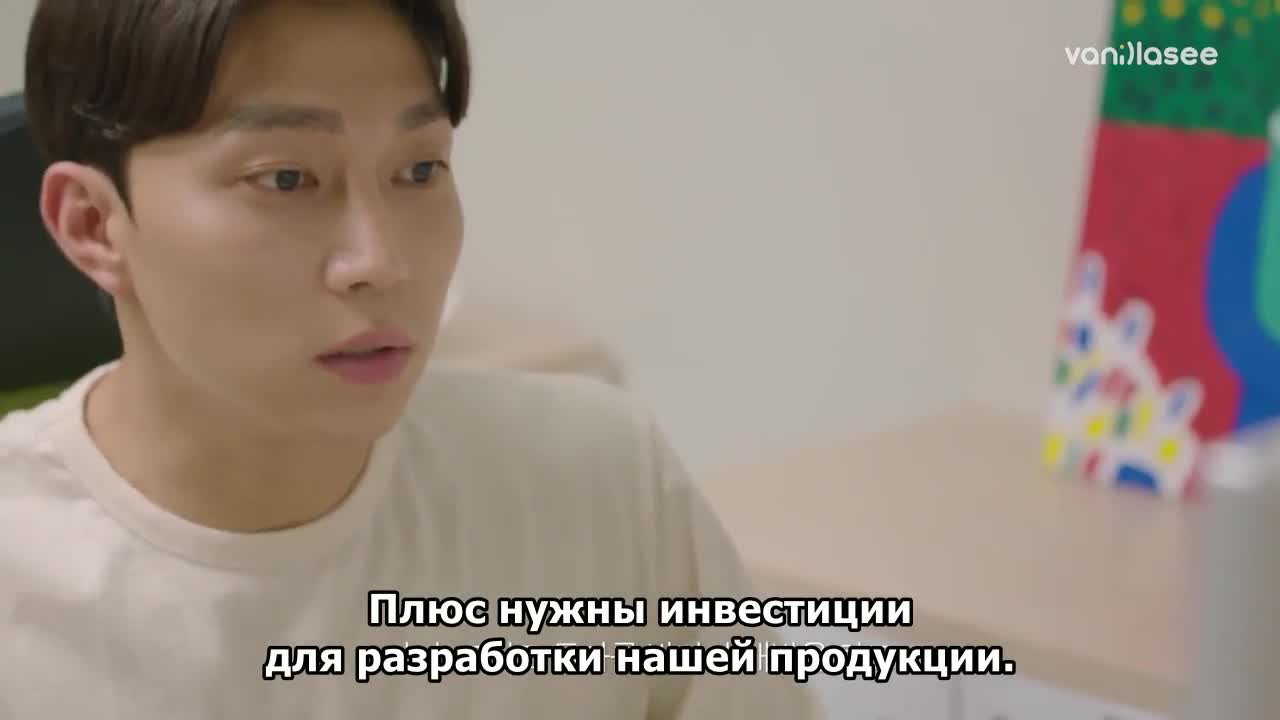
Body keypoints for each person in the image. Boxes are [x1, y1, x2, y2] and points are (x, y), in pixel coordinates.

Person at [0, 1, 820, 717]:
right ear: (93, 225)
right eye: (285, 179)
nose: (381, 260)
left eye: (420, 169)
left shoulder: (599, 478)